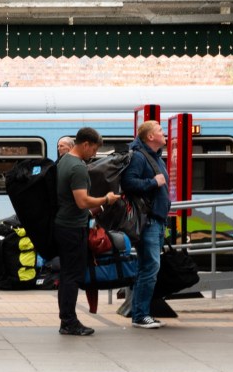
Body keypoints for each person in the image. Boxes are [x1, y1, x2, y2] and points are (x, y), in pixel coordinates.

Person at [54, 127, 119, 336]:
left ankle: (66, 318)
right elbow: (82, 201)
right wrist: (106, 199)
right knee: (73, 275)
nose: (94, 154)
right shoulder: (77, 167)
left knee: (66, 275)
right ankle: (69, 321)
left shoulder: (63, 161)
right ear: (86, 144)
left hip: (64, 225)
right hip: (73, 227)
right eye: (94, 149)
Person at [122, 120, 171, 329]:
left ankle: (141, 312)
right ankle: (140, 315)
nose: (164, 133)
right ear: (150, 137)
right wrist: (154, 182)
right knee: (150, 268)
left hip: (156, 220)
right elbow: (128, 183)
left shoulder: (154, 157)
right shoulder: (140, 157)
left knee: (147, 268)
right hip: (148, 221)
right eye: (160, 130)